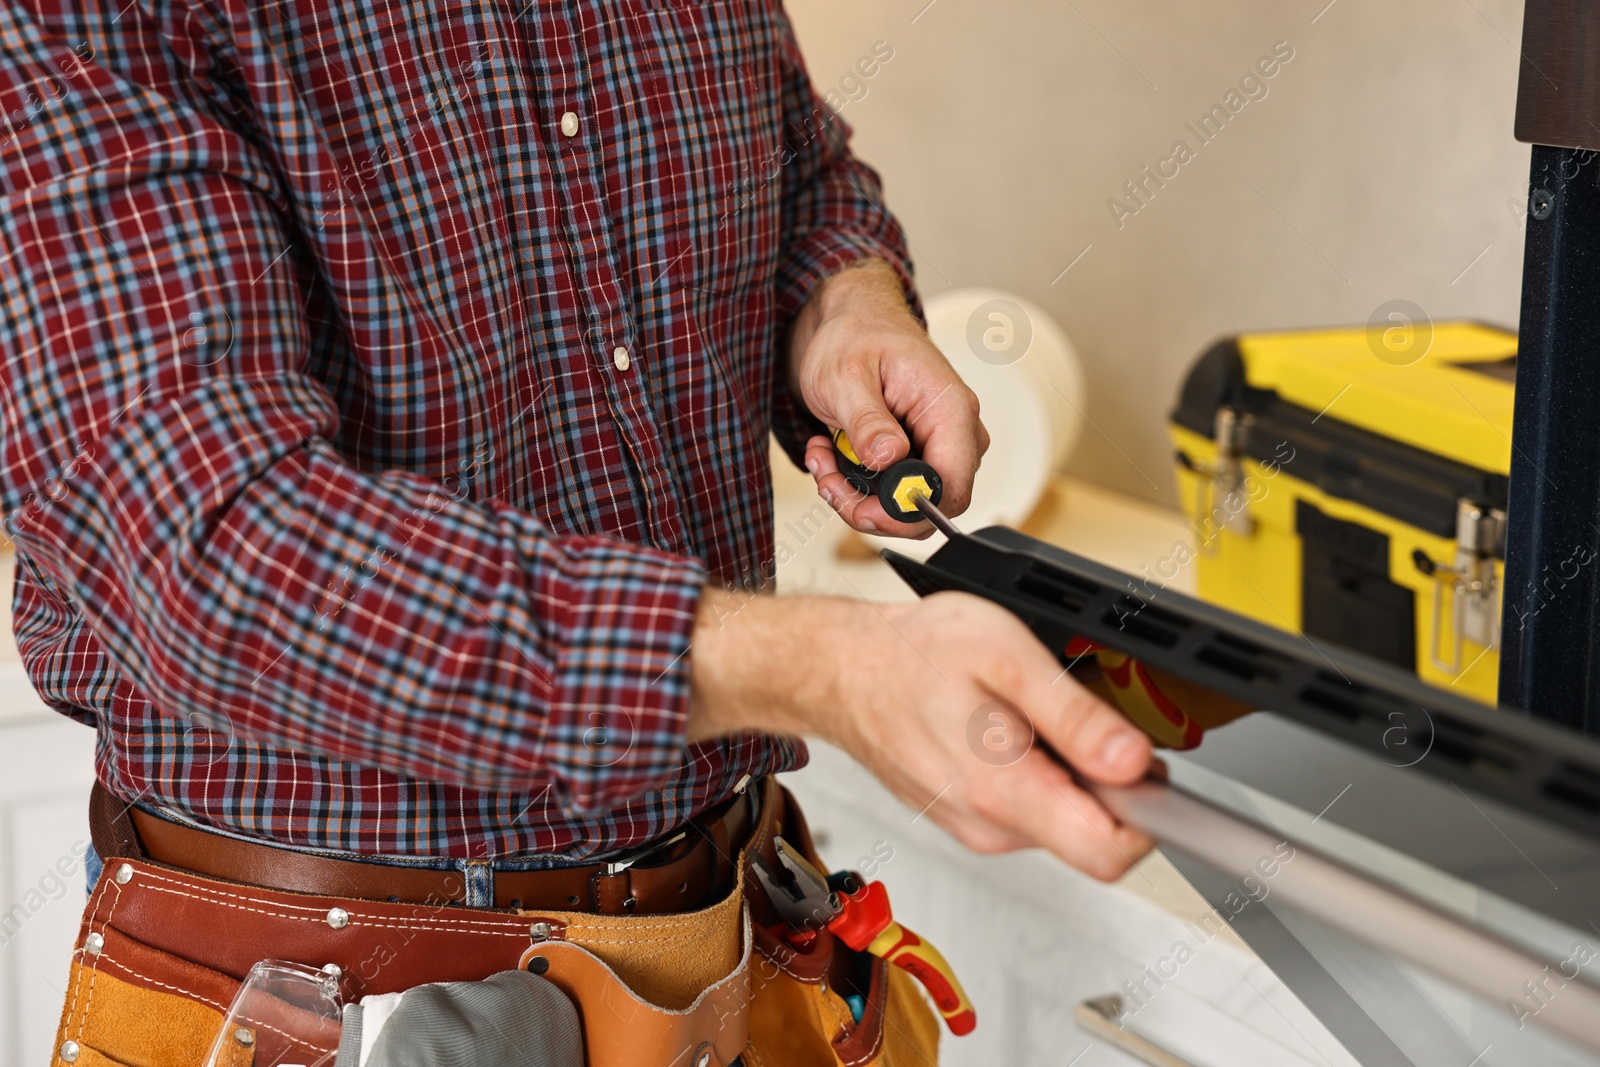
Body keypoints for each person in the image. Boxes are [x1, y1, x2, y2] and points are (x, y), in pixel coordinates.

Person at [0, 0, 1153, 1062]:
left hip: (732, 934)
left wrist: (843, 296)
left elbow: (801, 167)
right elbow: (214, 553)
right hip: (317, 997)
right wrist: (819, 667)